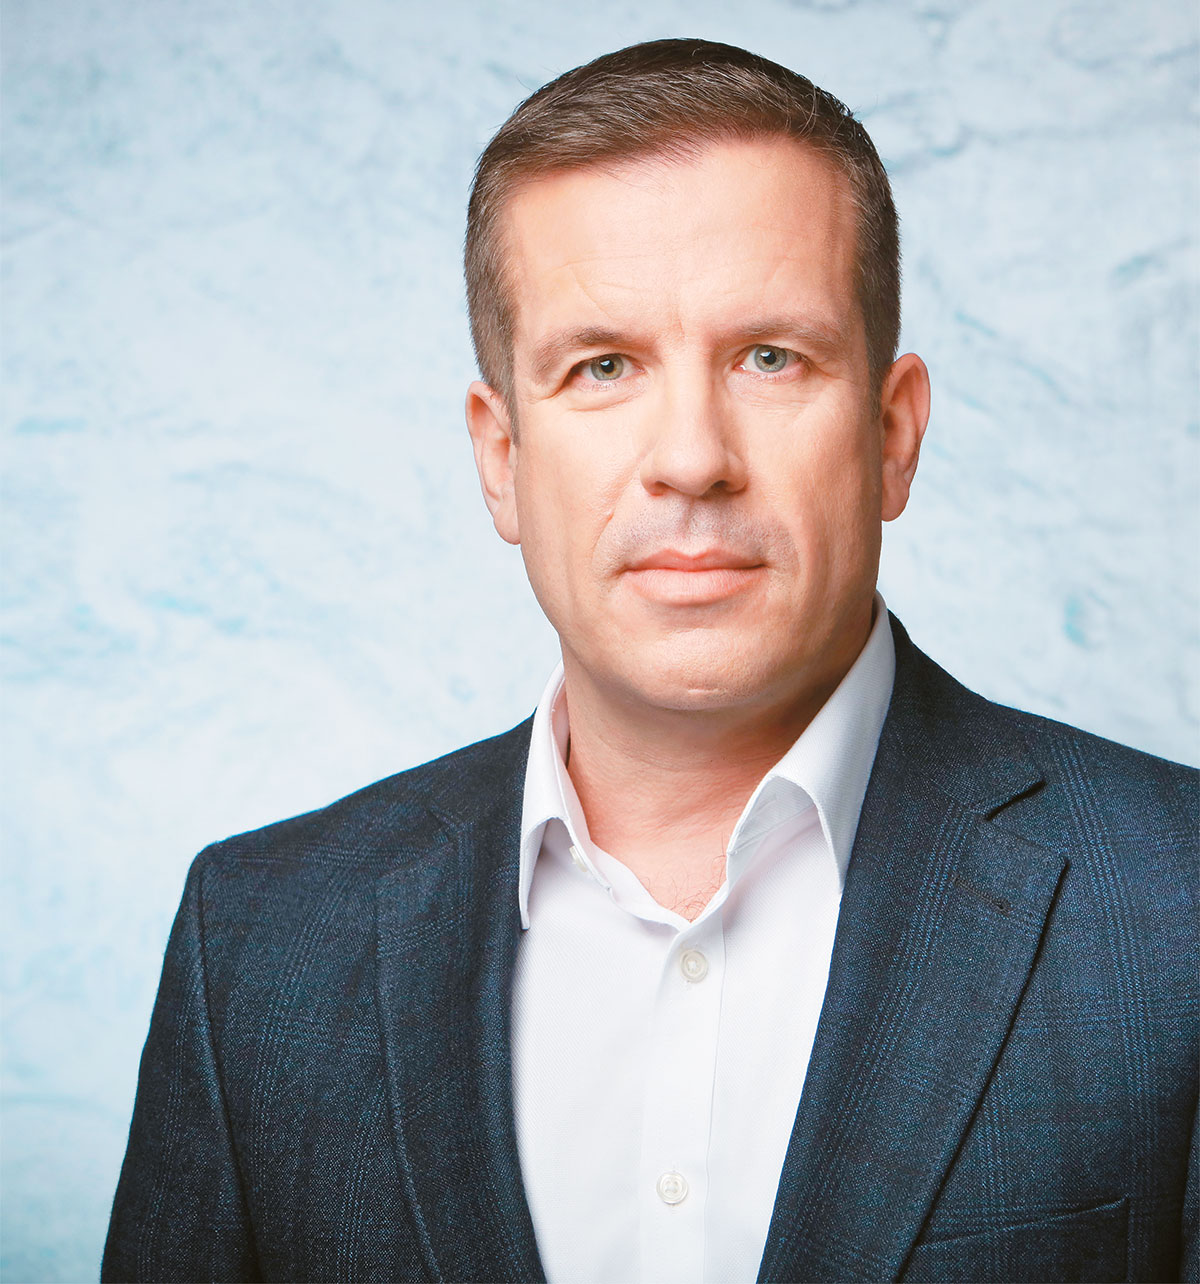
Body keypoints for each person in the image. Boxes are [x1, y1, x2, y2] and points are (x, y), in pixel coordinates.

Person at [102, 38, 1197, 1284]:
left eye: (770, 357)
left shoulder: (1177, 912)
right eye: (605, 367)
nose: (691, 458)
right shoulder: (262, 946)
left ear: (893, 436)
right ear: (502, 459)